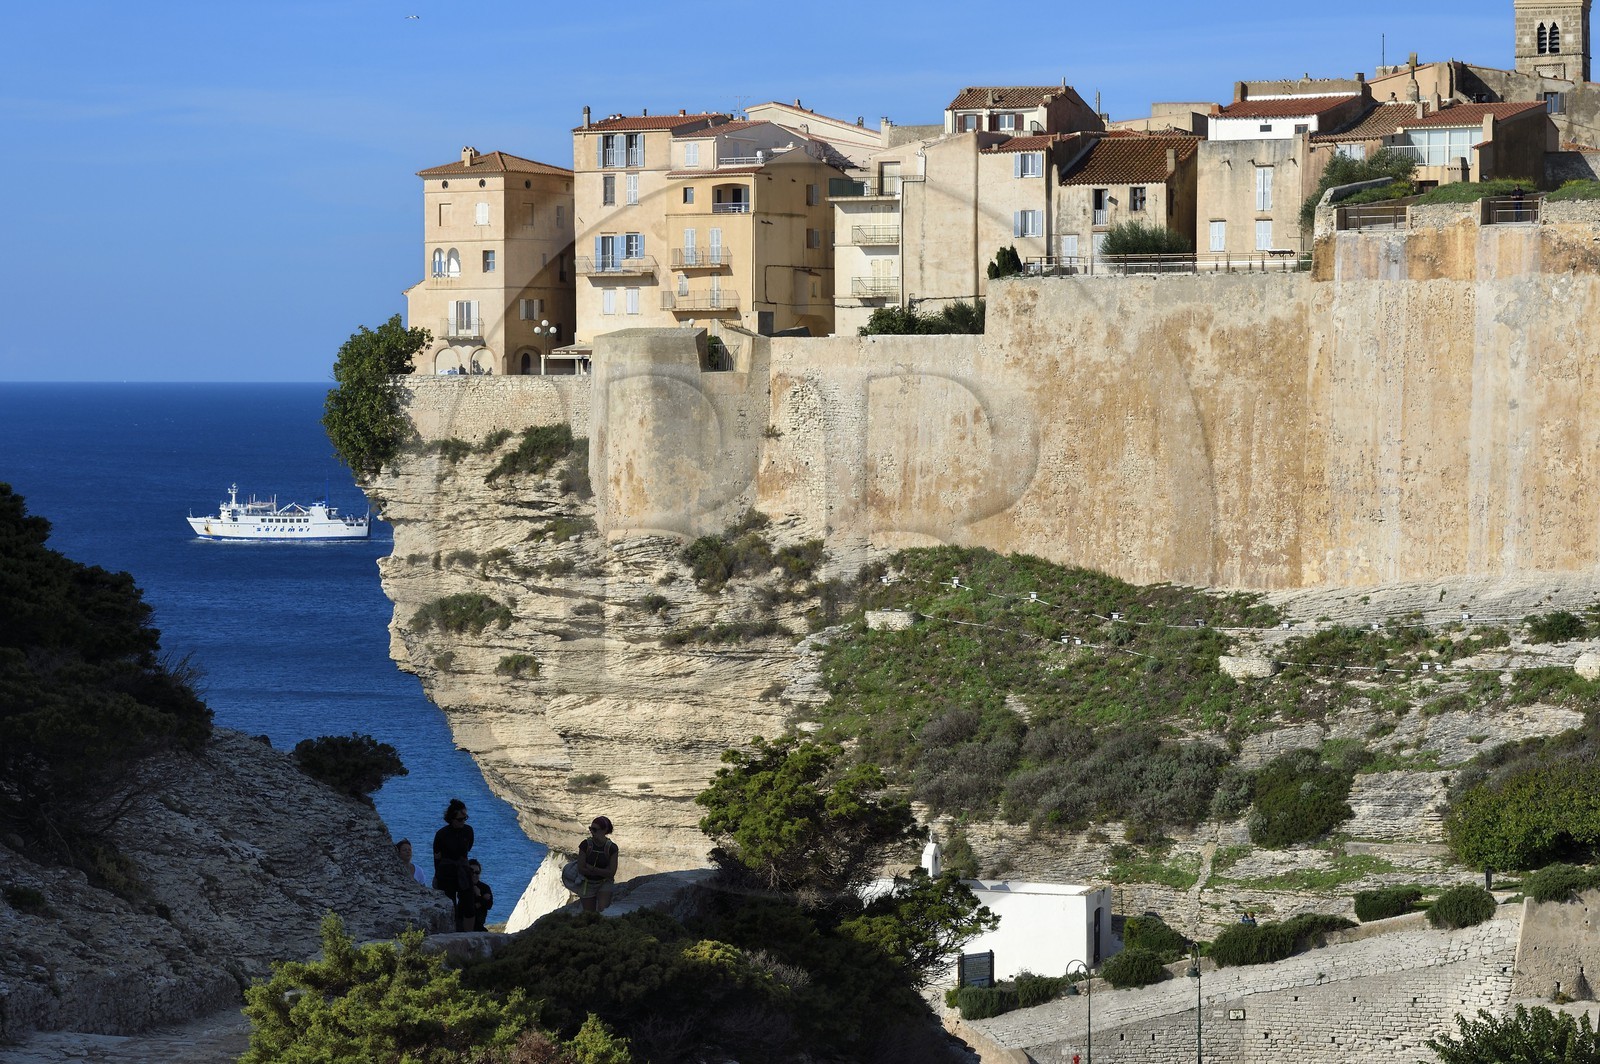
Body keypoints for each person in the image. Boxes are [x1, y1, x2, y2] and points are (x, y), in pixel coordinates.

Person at [432, 798, 475, 931]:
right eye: (460, 819)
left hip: (463, 870)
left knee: (469, 905)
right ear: (451, 818)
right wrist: (436, 876)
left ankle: (468, 934)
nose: (463, 822)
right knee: (450, 905)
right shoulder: (441, 834)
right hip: (446, 872)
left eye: (465, 818)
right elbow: (437, 857)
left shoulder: (468, 831)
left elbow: (468, 848)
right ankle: (452, 932)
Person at [576, 815, 618, 913]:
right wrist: (602, 872)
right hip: (588, 883)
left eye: (594, 829)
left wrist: (592, 869)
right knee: (589, 914)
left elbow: (612, 873)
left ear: (605, 830)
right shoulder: (585, 845)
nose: (591, 832)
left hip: (604, 883)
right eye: (591, 829)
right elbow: (581, 868)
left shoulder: (612, 848)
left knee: (603, 911)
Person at [462, 859, 494, 931]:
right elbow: (467, 907)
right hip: (463, 925)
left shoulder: (485, 887)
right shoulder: (463, 887)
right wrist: (483, 900)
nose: (474, 875)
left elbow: (489, 905)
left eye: (477, 872)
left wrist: (478, 895)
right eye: (471, 872)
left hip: (479, 926)